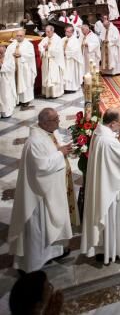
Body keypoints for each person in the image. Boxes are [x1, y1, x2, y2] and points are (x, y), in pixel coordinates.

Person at [8, 108, 73, 271]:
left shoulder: (46, 134)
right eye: (55, 119)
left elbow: (49, 155)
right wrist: (60, 154)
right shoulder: (34, 142)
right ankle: (31, 264)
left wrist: (59, 151)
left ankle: (52, 253)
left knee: (47, 227)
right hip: (38, 196)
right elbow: (41, 167)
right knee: (38, 230)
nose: (59, 121)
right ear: (44, 123)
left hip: (48, 192)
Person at [81, 109, 120, 265]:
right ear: (113, 124)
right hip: (111, 192)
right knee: (111, 220)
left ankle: (103, 250)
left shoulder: (99, 133)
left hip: (103, 185)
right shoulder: (108, 141)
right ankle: (113, 251)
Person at [4, 29, 36, 107]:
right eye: (17, 36)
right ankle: (16, 99)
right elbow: (7, 55)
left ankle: (25, 100)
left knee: (25, 83)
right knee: (15, 82)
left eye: (20, 36)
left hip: (24, 68)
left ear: (24, 36)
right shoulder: (12, 45)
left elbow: (31, 56)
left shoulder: (28, 44)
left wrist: (21, 55)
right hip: (14, 67)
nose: (18, 37)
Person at [39, 25, 65, 99]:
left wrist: (49, 48)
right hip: (46, 61)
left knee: (53, 77)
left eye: (48, 32)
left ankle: (55, 93)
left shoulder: (58, 39)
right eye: (46, 32)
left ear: (52, 31)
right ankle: (47, 93)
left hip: (54, 61)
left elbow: (58, 51)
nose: (47, 33)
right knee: (47, 77)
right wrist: (43, 49)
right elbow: (40, 46)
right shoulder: (45, 39)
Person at [62, 24, 84, 92]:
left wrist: (66, 53)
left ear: (72, 32)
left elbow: (75, 51)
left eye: (68, 31)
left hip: (72, 61)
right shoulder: (63, 39)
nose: (67, 33)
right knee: (65, 73)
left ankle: (72, 88)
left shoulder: (75, 40)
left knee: (71, 74)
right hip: (64, 60)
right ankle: (65, 87)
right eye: (66, 31)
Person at [0, 44, 16, 117]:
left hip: (6, 80)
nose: (1, 54)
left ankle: (6, 112)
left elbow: (12, 67)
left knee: (5, 95)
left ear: (5, 50)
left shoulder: (9, 57)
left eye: (2, 52)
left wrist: (2, 65)